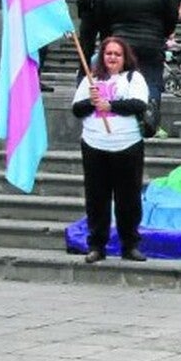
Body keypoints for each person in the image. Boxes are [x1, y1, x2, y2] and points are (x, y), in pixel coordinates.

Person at [71, 37, 149, 264]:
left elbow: (139, 104)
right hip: (94, 145)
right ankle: (96, 245)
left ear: (124, 58)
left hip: (127, 145)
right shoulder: (90, 79)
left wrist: (110, 105)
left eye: (117, 54)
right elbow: (77, 109)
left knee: (128, 198)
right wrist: (91, 103)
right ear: (101, 57)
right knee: (96, 198)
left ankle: (130, 245)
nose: (112, 58)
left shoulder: (134, 78)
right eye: (108, 54)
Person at [92, 0, 178, 137]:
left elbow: (101, 22)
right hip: (152, 45)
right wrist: (161, 36)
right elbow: (171, 20)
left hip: (121, 45)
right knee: (152, 83)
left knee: (121, 82)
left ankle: (122, 120)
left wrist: (111, 42)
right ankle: (151, 121)